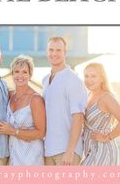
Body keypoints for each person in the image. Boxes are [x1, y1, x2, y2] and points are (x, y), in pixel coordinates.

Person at [0, 55, 45, 165]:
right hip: (14, 156)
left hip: (31, 157)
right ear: (12, 74)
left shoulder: (35, 99)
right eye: (16, 71)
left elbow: (41, 133)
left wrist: (14, 131)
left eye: (24, 72)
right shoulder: (10, 96)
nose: (20, 76)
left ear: (30, 75)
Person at [42, 36, 87, 166]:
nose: (54, 54)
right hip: (48, 149)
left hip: (66, 152)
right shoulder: (45, 80)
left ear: (65, 52)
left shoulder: (73, 80)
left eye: (58, 50)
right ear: (47, 52)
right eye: (51, 50)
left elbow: (78, 118)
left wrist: (70, 151)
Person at [81, 63, 120, 165]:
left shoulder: (106, 98)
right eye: (86, 76)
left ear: (102, 79)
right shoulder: (88, 95)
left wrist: (107, 137)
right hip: (90, 150)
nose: (89, 80)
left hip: (103, 149)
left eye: (93, 76)